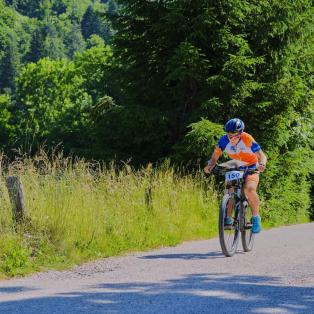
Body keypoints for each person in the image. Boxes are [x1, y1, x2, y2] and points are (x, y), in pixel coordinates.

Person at [204, 118, 267, 233]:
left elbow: (262, 155)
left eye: (235, 135)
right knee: (229, 190)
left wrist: (262, 164)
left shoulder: (247, 138)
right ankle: (227, 218)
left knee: (249, 189)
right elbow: (215, 155)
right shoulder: (223, 140)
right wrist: (210, 165)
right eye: (229, 135)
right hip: (236, 166)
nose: (232, 138)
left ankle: (256, 217)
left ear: (241, 133)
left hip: (252, 166)